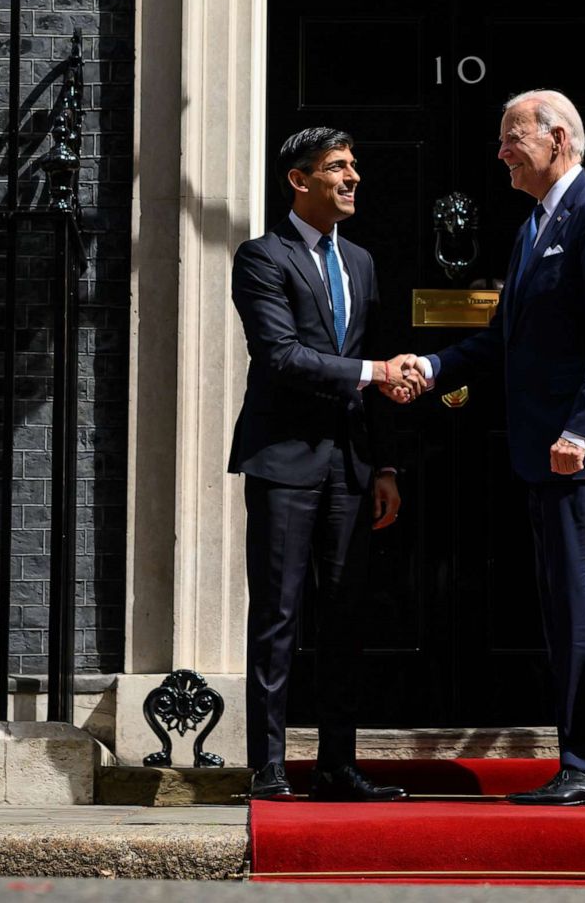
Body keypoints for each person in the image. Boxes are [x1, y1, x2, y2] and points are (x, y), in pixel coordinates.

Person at [404, 89, 585, 806]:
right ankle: (584, 759)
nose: (501, 151)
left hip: (579, 451)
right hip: (546, 451)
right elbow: (503, 340)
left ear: (558, 139)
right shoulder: (533, 228)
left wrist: (582, 429)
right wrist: (432, 368)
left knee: (581, 607)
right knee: (563, 607)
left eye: (512, 137)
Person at [229, 127, 418, 801]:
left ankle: (338, 764)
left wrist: (386, 465)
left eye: (354, 164)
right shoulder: (261, 257)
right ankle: (270, 767)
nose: (353, 177)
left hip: (352, 466)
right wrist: (373, 371)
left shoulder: (361, 262)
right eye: (338, 166)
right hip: (283, 460)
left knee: (345, 616)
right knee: (278, 615)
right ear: (298, 180)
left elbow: (374, 353)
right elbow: (280, 355)